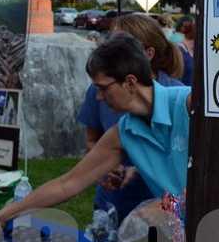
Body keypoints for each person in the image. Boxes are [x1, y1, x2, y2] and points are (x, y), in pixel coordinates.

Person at [0, 32, 192, 237]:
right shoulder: (124, 132)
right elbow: (67, 184)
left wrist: (169, 205)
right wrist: (2, 216)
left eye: (103, 88)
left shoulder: (189, 105)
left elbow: (211, 182)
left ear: (130, 82)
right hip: (180, 237)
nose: (99, 97)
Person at [77, 13, 186, 222]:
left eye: (120, 46)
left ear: (148, 54)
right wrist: (105, 167)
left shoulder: (179, 99)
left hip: (160, 212)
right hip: (113, 204)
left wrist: (138, 168)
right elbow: (91, 143)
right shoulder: (103, 93)